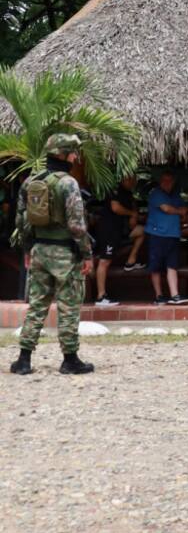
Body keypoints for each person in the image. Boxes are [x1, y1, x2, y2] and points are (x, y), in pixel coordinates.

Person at [10, 134, 95, 375]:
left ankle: (23, 360)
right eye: (74, 153)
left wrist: (28, 250)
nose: (76, 157)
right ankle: (70, 359)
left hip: (38, 251)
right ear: (65, 154)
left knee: (37, 305)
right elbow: (77, 225)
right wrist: (86, 254)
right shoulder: (68, 183)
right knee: (69, 306)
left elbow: (20, 221)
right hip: (65, 254)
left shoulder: (30, 181)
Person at [94, 173, 145, 307]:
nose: (131, 181)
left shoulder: (129, 194)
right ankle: (101, 296)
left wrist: (134, 213)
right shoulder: (114, 190)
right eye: (129, 179)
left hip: (121, 231)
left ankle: (130, 261)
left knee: (142, 231)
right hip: (109, 231)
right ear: (122, 178)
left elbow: (133, 209)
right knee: (104, 261)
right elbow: (115, 207)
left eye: (134, 179)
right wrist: (131, 213)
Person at [146, 171, 188, 305]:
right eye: (164, 180)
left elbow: (185, 207)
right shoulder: (156, 193)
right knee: (156, 267)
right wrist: (179, 211)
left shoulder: (176, 196)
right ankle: (158, 296)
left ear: (173, 182)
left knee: (172, 265)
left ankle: (174, 295)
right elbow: (166, 208)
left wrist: (183, 210)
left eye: (170, 180)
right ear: (160, 182)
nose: (167, 183)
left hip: (172, 235)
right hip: (157, 235)